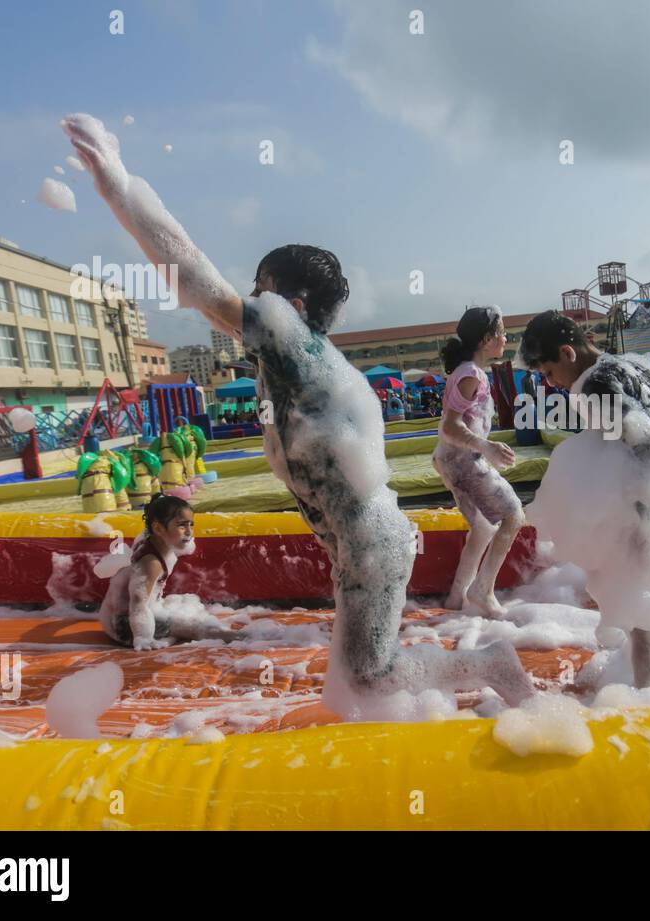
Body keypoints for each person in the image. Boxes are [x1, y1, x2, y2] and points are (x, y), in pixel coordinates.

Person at [63, 113, 532, 713]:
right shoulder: (305, 364)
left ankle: (490, 664)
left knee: (368, 678)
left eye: (260, 288)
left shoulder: (291, 341)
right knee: (355, 682)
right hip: (360, 541)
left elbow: (198, 282)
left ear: (291, 303)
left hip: (371, 540)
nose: (249, 300)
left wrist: (119, 188)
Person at [517, 311, 650, 690]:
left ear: (567, 353)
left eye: (547, 370)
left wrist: (648, 531)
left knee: (645, 628)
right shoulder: (632, 366)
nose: (549, 382)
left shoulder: (593, 388)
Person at [433, 306, 525, 616]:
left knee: (484, 528)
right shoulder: (470, 375)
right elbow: (449, 426)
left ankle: (457, 598)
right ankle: (482, 590)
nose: (504, 339)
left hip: (452, 460)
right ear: (486, 339)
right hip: (463, 461)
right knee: (513, 517)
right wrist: (485, 446)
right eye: (501, 333)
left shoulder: (468, 372)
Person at [98, 495, 238, 649]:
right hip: (126, 628)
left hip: (116, 619)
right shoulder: (152, 562)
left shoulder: (150, 538)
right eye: (182, 526)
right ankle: (244, 638)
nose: (189, 532)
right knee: (197, 626)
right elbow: (138, 601)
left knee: (182, 605)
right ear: (158, 528)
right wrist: (143, 638)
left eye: (191, 524)